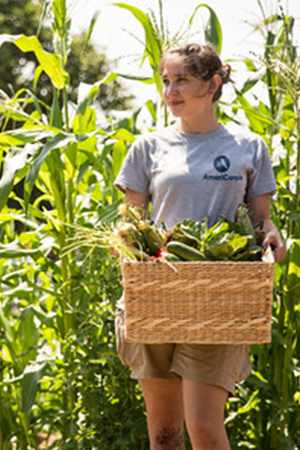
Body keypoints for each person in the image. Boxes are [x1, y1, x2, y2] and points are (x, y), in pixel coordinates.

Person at [114, 42, 286, 450]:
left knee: (205, 428)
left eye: (182, 81)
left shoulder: (248, 147)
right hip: (158, 292)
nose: (170, 91)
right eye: (166, 81)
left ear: (212, 84)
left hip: (218, 296)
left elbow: (261, 219)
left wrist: (272, 236)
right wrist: (125, 243)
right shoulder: (147, 148)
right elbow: (131, 221)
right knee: (164, 433)